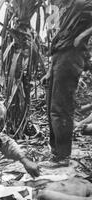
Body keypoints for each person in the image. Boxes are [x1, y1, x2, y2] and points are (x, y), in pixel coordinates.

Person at [43, 0, 92, 167]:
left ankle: (63, 156)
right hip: (60, 57)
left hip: (71, 56)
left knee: (61, 109)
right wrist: (50, 70)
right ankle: (56, 152)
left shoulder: (81, 3)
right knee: (52, 109)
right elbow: (58, 39)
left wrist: (82, 36)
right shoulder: (64, 7)